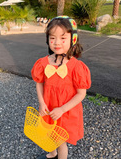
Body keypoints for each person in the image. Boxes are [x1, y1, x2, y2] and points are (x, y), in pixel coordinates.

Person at [31, 16, 91, 159]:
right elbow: (39, 83)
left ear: (72, 40)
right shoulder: (43, 63)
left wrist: (62, 109)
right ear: (48, 40)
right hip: (49, 106)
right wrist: (41, 102)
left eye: (63, 38)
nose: (57, 43)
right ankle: (52, 154)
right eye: (52, 38)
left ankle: (60, 156)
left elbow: (81, 94)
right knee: (49, 133)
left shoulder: (77, 67)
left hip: (66, 111)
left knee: (60, 139)